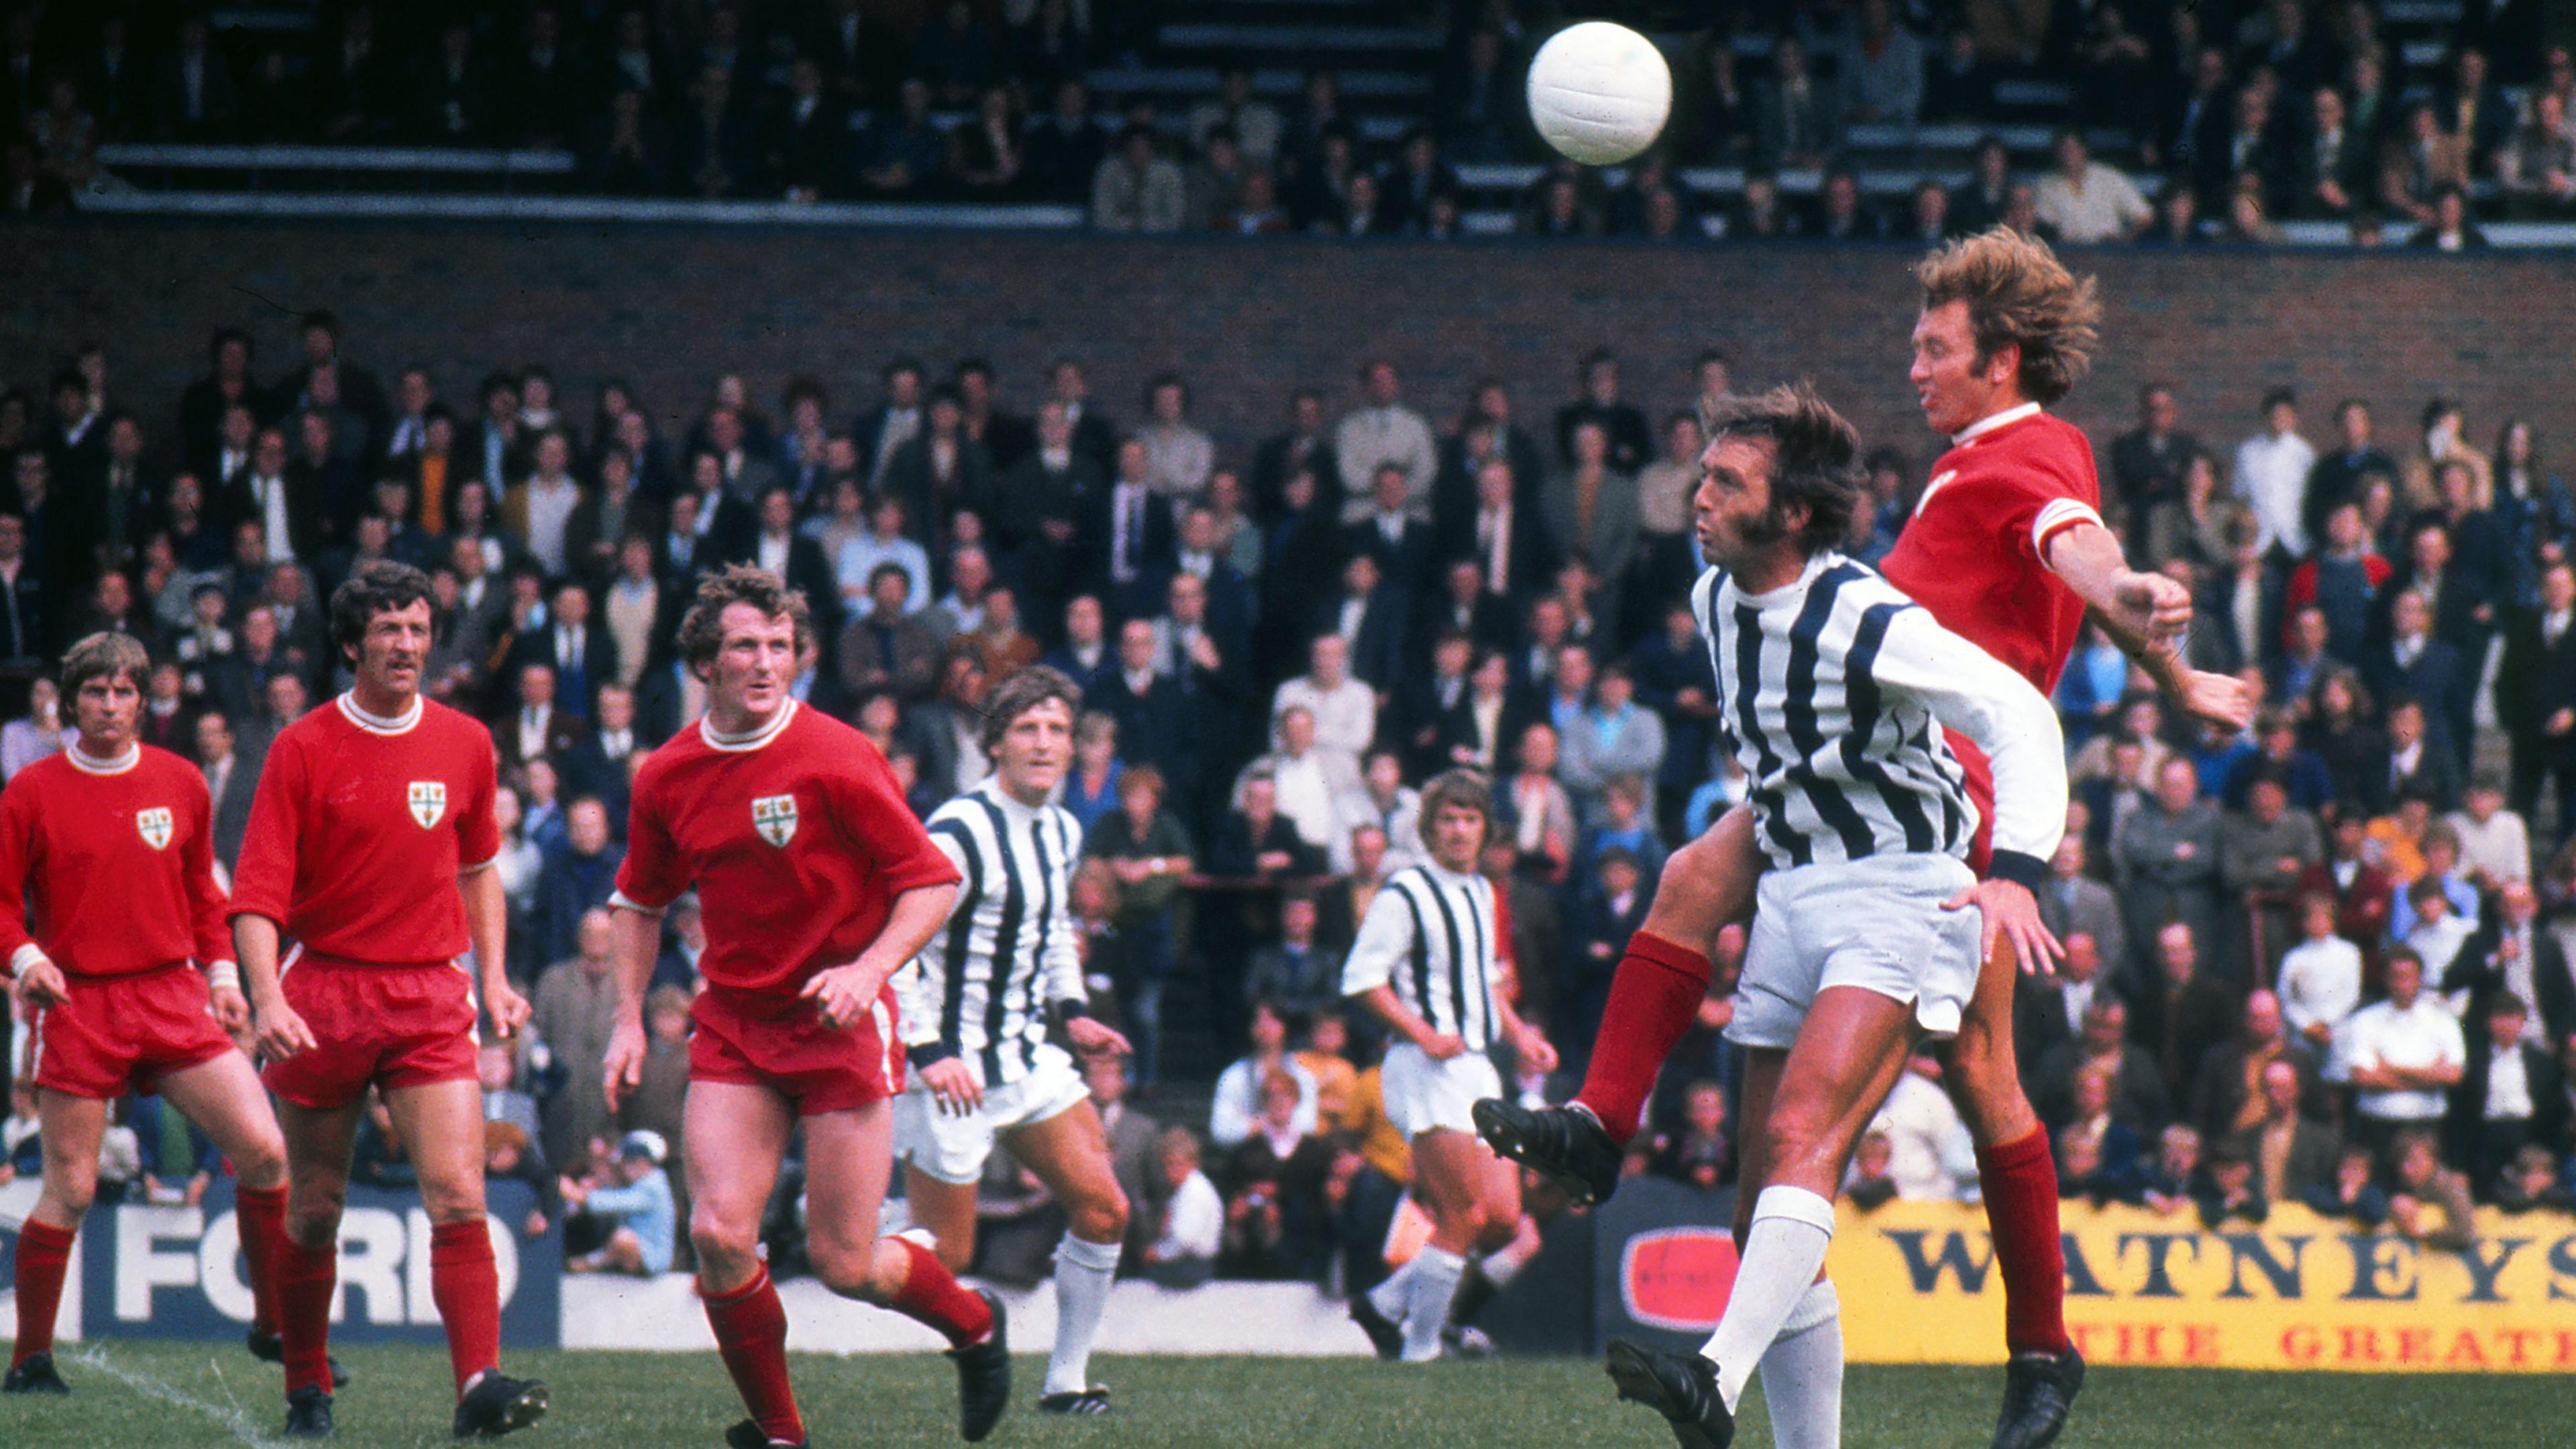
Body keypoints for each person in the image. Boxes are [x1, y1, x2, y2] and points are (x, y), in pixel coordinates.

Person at [1481, 229, 2246, 1449]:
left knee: (1929, 1083)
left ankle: (2037, 1347)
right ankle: (1607, 1128)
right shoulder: (1973, 464)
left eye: (1934, 346)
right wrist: (2172, 665)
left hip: (1936, 789)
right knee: (1712, 895)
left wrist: (2133, 603)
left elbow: (2074, 546)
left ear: (2001, 359)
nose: (1915, 367)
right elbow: (2072, 576)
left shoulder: (2027, 450)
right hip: (1860, 753)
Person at [1593, 383, 2066, 1449]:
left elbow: (2023, 712)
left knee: (1814, 1132)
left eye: (1725, 482)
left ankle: (1713, 1371)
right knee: (1763, 1207)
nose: (1698, 496)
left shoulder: (1862, 612)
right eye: (1703, 476)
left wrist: (2018, 870)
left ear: (1793, 513)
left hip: (1903, 888)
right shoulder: (1715, 599)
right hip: (1798, 888)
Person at [602, 566, 1005, 1449]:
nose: (765, 662)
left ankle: (975, 1324)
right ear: (704, 662)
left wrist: (867, 971)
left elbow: (933, 884)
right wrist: (629, 1018)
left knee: (845, 1263)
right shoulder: (668, 774)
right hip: (739, 1027)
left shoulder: (837, 753)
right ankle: (783, 1435)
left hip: (841, 1025)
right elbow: (637, 904)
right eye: (745, 645)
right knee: (717, 1232)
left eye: (780, 646)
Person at [231, 564, 545, 1440]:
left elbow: (478, 867)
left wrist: (496, 977)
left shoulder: (467, 742)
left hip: (428, 993)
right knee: (317, 1204)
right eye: (388, 631)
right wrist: (266, 999)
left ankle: (478, 1385)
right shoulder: (302, 747)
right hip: (324, 992)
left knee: (456, 1191)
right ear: (351, 644)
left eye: (417, 628)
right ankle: (306, 1389)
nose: (406, 644)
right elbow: (257, 896)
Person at [0, 633, 294, 1398]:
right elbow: (2, 906)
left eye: (124, 691)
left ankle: (271, 1322)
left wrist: (224, 973)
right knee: (70, 1189)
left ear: (142, 699)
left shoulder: (181, 781)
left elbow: (204, 894)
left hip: (171, 995)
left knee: (264, 1149)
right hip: (81, 1003)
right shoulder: (31, 791)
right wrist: (29, 960)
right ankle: (32, 1359)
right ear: (72, 702)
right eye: (95, 692)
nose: (110, 705)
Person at [894, 666, 1135, 1418]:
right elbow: (895, 947)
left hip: (1027, 1059)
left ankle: (1065, 1382)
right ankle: (833, 1228)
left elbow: (1051, 927)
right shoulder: (959, 830)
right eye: (1027, 728)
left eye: (1057, 729)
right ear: (994, 741)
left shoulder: (1063, 828)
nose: (1044, 743)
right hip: (952, 1070)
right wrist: (931, 1053)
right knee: (947, 1259)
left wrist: (1075, 1009)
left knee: (1105, 1209)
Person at [1342, 769, 1558, 1364]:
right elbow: (1362, 979)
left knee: (1505, 1219)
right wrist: (1423, 1034)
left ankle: (1384, 1305)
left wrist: (1521, 1036)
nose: (1459, 830)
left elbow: (1485, 981)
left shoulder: (1482, 893)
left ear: (1486, 829)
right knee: (1462, 1214)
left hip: (1476, 1068)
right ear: (1429, 827)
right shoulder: (1405, 892)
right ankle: (1419, 1352)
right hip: (1424, 1067)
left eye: (1470, 819)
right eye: (1448, 819)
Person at [560, 1128, 676, 1276]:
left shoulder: (653, 1186)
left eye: (628, 1162)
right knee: (621, 1237)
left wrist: (577, 1194)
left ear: (642, 1162)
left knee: (623, 1238)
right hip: (639, 1253)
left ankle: (590, 1263)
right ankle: (589, 1262)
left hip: (653, 1258)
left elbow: (620, 1202)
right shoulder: (641, 1184)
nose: (624, 1167)